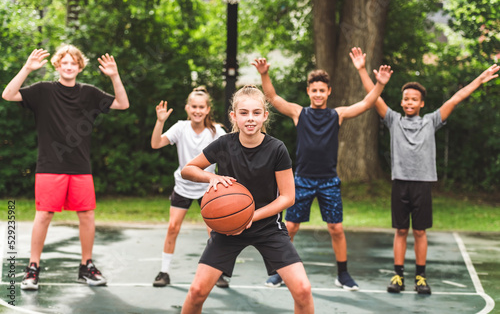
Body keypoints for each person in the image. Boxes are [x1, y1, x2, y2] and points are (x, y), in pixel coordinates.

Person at [349, 47, 499, 295]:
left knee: (419, 231)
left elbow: (455, 98)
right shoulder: (393, 120)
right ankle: (398, 276)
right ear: (401, 102)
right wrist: (363, 70)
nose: (409, 102)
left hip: (422, 184)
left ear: (422, 103)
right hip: (400, 183)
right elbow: (374, 98)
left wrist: (480, 80)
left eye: (414, 99)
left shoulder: (431, 121)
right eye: (406, 98)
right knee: (401, 230)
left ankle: (420, 276)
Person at [253, 58, 393, 290]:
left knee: (336, 228)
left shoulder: (337, 115)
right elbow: (273, 98)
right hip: (302, 181)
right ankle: (280, 271)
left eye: (322, 90)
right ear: (308, 91)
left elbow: (368, 103)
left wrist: (380, 84)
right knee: (291, 227)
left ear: (329, 92)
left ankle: (343, 274)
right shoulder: (300, 113)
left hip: (329, 181)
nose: (318, 94)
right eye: (314, 90)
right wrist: (264, 74)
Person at [2, 45, 129, 290]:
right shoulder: (43, 91)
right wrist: (28, 68)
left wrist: (114, 76)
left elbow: (122, 104)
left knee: (87, 215)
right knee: (44, 215)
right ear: (57, 66)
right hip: (49, 165)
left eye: (73, 63)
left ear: (79, 67)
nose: (69, 66)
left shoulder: (90, 93)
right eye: (64, 63)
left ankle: (86, 266)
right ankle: (32, 268)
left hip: (80, 166)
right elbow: (8, 94)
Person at [180, 85, 314, 314]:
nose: (250, 118)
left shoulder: (277, 149)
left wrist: (252, 216)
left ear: (265, 116)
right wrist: (211, 177)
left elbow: (288, 197)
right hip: (228, 228)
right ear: (233, 116)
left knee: (302, 290)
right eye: (243, 113)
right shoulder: (224, 144)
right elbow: (188, 169)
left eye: (255, 113)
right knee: (196, 292)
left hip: (268, 227)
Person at [150, 87, 227, 288]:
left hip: (207, 188)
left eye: (201, 107)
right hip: (183, 186)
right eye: (194, 106)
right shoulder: (180, 128)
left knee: (214, 232)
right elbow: (156, 143)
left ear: (208, 109)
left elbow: (232, 153)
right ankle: (164, 272)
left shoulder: (217, 132)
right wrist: (160, 121)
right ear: (187, 108)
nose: (197, 110)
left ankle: (217, 272)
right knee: (173, 228)